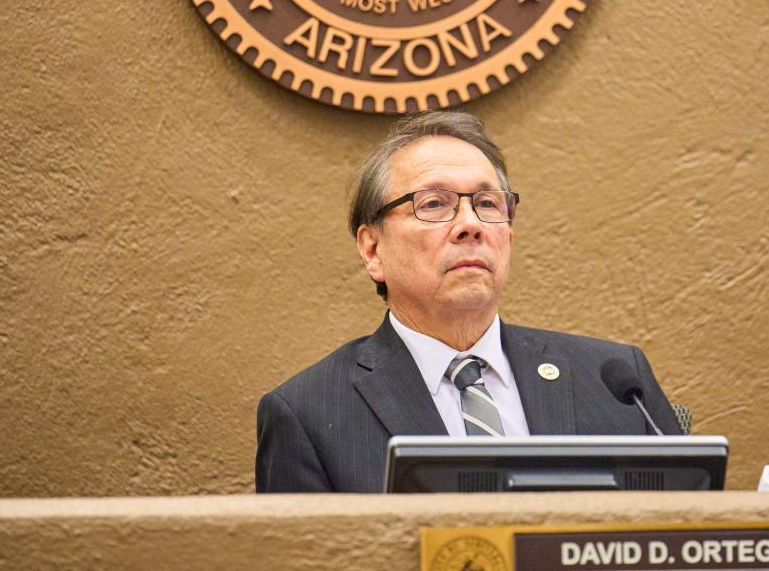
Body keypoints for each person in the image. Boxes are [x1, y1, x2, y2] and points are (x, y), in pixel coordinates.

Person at [256, 110, 680, 493]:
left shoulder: (618, 385)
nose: (470, 225)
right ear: (372, 250)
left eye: (487, 204)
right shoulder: (309, 414)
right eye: (434, 204)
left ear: (508, 237)